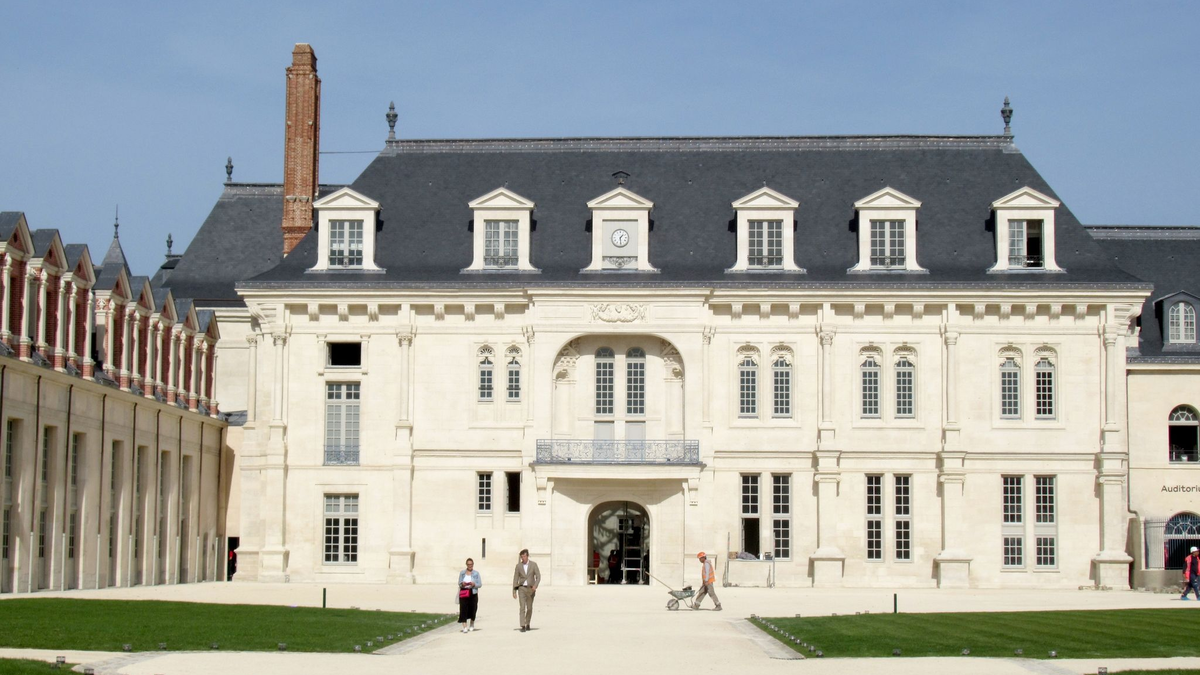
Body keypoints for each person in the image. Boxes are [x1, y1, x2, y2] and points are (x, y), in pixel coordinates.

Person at [511, 548, 541, 632]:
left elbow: (538, 576)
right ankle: (522, 625)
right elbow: (515, 579)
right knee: (522, 607)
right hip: (521, 588)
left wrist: (535, 586)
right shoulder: (518, 566)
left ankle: (527, 623)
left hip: (531, 589)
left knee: (530, 608)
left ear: (527, 556)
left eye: (524, 556)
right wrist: (514, 591)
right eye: (521, 557)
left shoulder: (533, 565)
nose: (522, 558)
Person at [458, 557, 482, 632]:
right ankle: (464, 626)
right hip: (464, 592)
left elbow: (480, 584)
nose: (470, 566)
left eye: (471, 564)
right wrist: (462, 583)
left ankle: (472, 623)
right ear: (466, 565)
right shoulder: (462, 573)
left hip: (473, 592)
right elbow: (459, 583)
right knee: (463, 608)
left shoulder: (476, 573)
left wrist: (474, 584)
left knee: (473, 609)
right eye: (468, 564)